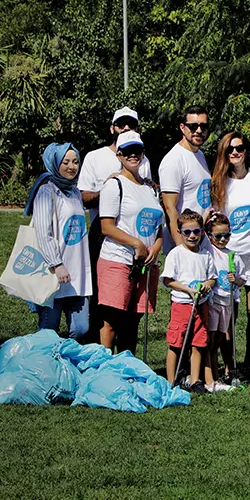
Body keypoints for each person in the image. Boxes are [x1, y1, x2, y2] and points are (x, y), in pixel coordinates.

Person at [77, 108, 151, 343]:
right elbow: (83, 196)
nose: (126, 128)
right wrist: (109, 192)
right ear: (112, 128)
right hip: (104, 231)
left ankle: (126, 352)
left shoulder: (143, 159)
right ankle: (96, 348)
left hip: (136, 232)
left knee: (132, 304)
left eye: (131, 124)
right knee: (103, 299)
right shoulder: (95, 157)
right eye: (121, 124)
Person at [210, 130, 250, 373]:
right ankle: (228, 365)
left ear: (248, 152)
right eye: (230, 149)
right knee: (228, 313)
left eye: (239, 148)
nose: (235, 152)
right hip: (230, 255)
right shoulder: (219, 181)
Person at [96, 131, 163, 355]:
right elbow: (106, 226)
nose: (133, 155)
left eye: (138, 151)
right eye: (127, 151)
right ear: (119, 154)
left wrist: (155, 246)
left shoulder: (151, 187)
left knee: (133, 322)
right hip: (118, 260)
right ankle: (105, 371)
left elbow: (159, 226)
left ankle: (127, 369)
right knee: (112, 322)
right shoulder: (114, 185)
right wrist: (136, 244)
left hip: (145, 264)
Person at [25, 142, 91, 340]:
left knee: (82, 329)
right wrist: (57, 264)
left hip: (78, 273)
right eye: (65, 162)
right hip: (54, 273)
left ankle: (66, 363)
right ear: (54, 163)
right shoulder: (47, 191)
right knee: (48, 330)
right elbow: (42, 232)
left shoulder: (75, 192)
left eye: (75, 162)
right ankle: (46, 367)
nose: (71, 167)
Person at [160, 209, 217, 393]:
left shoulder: (206, 254)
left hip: (201, 305)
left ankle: (195, 381)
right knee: (176, 343)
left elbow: (212, 277)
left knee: (198, 343)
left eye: (196, 232)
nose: (192, 236)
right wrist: (187, 289)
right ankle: (171, 381)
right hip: (182, 304)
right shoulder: (176, 254)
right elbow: (168, 280)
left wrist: (207, 284)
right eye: (187, 232)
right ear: (180, 233)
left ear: (202, 232)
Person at [159, 105, 212, 251]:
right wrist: (181, 249)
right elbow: (170, 208)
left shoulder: (199, 155)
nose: (199, 131)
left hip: (201, 241)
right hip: (184, 243)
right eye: (193, 126)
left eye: (203, 126)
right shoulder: (174, 160)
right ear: (182, 127)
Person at [203, 211, 242, 389]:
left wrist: (237, 280)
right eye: (218, 236)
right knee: (210, 339)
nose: (223, 239)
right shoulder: (209, 250)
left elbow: (242, 280)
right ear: (210, 236)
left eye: (227, 235)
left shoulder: (233, 255)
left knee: (220, 338)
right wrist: (205, 216)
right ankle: (210, 376)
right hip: (213, 302)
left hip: (228, 302)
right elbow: (201, 232)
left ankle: (217, 375)